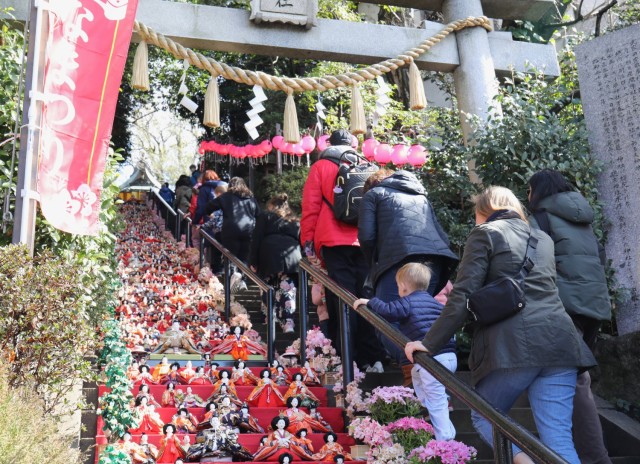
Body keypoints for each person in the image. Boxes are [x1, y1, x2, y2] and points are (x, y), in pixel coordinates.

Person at [404, 186, 596, 464]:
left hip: (516, 345)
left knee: (483, 415)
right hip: (561, 343)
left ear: (484, 211)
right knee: (558, 440)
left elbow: (463, 293)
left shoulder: (485, 233)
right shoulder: (542, 238)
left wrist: (429, 342)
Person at [528, 169, 612, 464]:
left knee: (575, 384)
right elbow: (600, 258)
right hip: (595, 305)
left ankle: (594, 458)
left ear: (536, 191)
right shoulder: (584, 221)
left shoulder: (541, 218)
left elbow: (531, 262)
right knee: (577, 378)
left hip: (564, 306)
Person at [358, 168, 458, 377]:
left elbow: (366, 237)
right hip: (434, 261)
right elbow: (441, 235)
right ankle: (434, 375)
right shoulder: (420, 196)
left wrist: (374, 266)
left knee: (383, 319)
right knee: (419, 319)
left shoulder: (373, 195)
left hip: (397, 260)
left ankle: (419, 372)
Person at [300, 128, 385, 372]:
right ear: (353, 145)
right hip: (364, 241)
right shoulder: (367, 165)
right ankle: (374, 358)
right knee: (365, 297)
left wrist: (308, 242)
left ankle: (348, 359)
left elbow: (311, 207)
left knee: (342, 298)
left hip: (332, 241)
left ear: (329, 143)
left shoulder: (321, 167)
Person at [354, 262, 457, 441]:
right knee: (421, 381)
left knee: (435, 400)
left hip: (431, 360)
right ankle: (444, 420)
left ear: (402, 287)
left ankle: (445, 438)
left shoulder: (408, 302)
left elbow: (389, 311)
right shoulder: (436, 304)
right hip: (449, 357)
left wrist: (370, 302)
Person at [249, 193, 302, 334]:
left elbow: (256, 238)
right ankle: (288, 322)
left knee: (268, 286)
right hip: (292, 255)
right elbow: (301, 239)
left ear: (272, 205)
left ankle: (270, 318)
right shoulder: (295, 220)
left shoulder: (265, 216)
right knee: (288, 288)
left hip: (269, 253)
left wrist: (253, 260)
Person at [204, 176, 260, 291]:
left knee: (230, 256)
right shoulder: (251, 199)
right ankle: (242, 280)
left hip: (230, 231)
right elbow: (258, 215)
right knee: (244, 257)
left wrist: (208, 214)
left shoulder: (226, 197)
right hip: (248, 231)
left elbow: (208, 207)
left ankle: (230, 281)